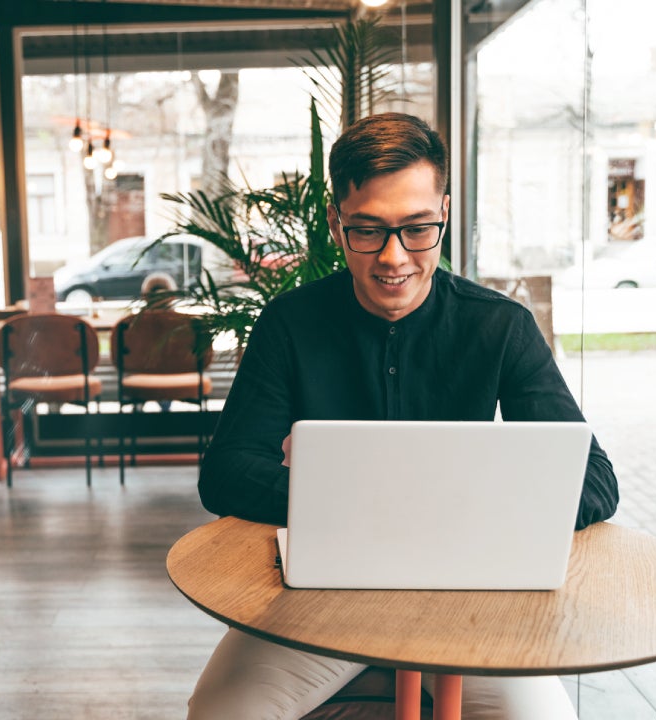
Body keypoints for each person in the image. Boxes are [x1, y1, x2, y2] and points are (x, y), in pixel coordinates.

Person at [188, 112, 619, 720]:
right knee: (221, 713)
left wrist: (447, 515)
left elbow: (595, 479)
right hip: (319, 601)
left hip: (467, 603)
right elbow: (227, 472)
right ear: (337, 222)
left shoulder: (499, 325)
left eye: (419, 228)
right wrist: (389, 508)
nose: (394, 257)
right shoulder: (290, 325)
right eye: (367, 230)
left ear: (445, 209)